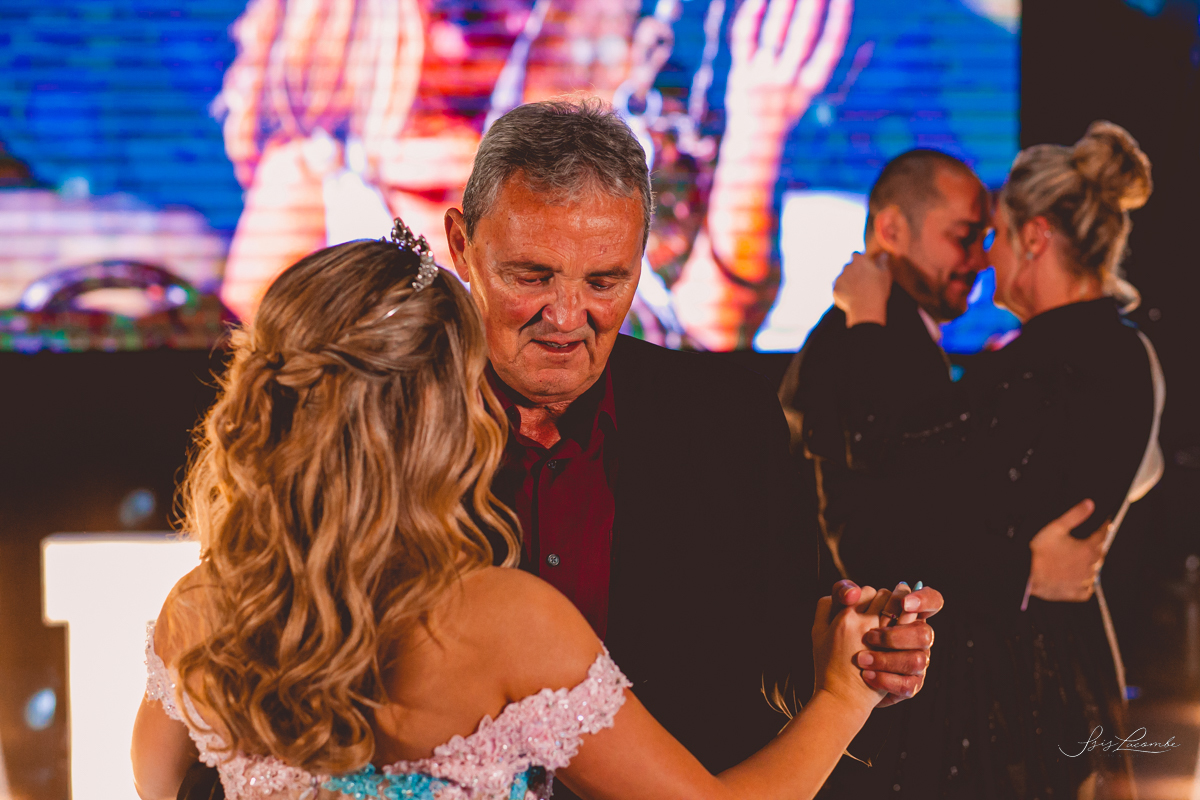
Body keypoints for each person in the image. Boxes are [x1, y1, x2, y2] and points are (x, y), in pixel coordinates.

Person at [132, 226, 931, 800]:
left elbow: (158, 787)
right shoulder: (512, 623)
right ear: (439, 415)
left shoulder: (199, 615)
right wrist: (841, 697)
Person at [441, 98, 943, 798]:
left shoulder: (726, 419)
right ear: (461, 245)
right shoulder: (387, 422)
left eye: (604, 282)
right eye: (532, 276)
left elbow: (781, 643)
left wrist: (856, 652)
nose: (566, 317)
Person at [804, 122, 1164, 798]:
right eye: (968, 237)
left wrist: (867, 322)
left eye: (991, 234)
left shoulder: (1037, 365)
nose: (985, 257)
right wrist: (1026, 567)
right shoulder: (1120, 349)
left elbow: (891, 496)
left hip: (1009, 693)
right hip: (1043, 675)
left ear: (1035, 237)